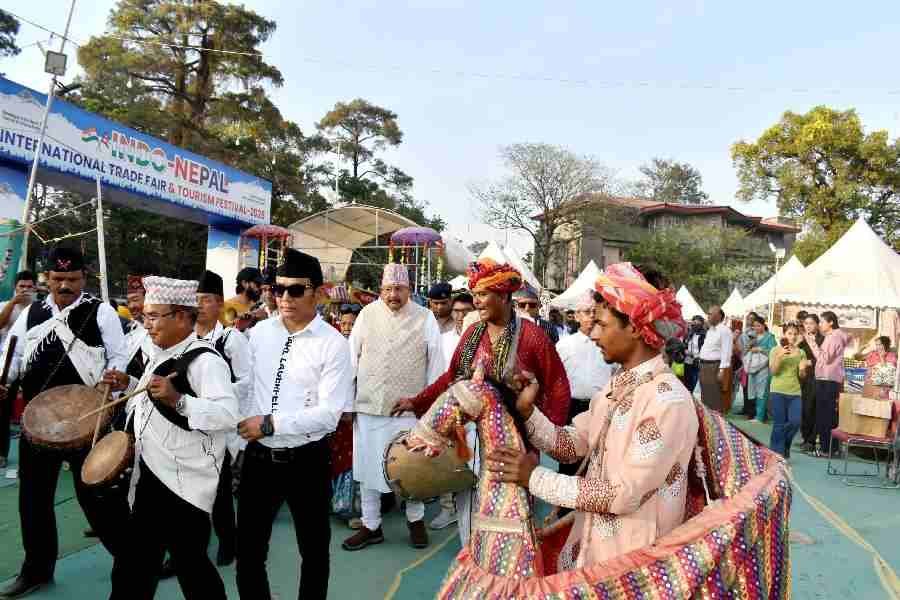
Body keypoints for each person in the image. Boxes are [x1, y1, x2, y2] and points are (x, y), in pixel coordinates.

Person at [487, 262, 698, 568]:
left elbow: (623, 494)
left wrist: (535, 478)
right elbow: (573, 445)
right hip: (593, 552)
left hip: (633, 566)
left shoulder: (667, 400)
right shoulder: (617, 386)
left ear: (635, 327)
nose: (593, 333)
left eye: (601, 323)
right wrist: (528, 411)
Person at [395, 259, 570, 544]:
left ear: (504, 296)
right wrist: (416, 401)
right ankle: (472, 558)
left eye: (483, 294)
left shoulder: (533, 338)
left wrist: (543, 442)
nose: (476, 302)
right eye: (474, 294)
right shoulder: (472, 334)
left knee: (509, 522)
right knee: (468, 511)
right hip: (469, 439)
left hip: (516, 445)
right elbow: (451, 378)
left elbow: (558, 388)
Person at [0, 247, 128, 599]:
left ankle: (133, 559)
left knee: (97, 498)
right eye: (58, 279)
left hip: (86, 422)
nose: (64, 285)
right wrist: (4, 380)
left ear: (84, 278)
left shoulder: (101, 311)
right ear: (47, 279)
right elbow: (15, 354)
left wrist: (113, 377)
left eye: (72, 279)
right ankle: (36, 570)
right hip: (38, 424)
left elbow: (119, 357)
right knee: (33, 500)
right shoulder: (33, 313)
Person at [102, 276, 239, 600]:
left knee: (191, 567)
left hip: (183, 485)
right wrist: (129, 382)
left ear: (180, 316)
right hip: (149, 475)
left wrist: (179, 400)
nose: (146, 324)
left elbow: (227, 415)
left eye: (153, 316)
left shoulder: (205, 361)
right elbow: (150, 398)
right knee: (133, 567)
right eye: (145, 316)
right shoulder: (159, 352)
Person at [235, 249, 353, 600]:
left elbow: (329, 414)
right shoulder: (258, 333)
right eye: (278, 289)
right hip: (258, 459)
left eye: (296, 290)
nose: (284, 297)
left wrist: (269, 424)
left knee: (314, 553)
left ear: (318, 293)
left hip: (308, 460)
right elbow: (245, 389)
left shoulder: (333, 344)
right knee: (249, 554)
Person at [342, 263, 445, 552]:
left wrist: (428, 405)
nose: (392, 295)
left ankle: (415, 521)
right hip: (369, 407)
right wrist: (346, 404)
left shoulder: (424, 317)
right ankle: (371, 525)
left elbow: (436, 365)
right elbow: (351, 359)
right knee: (367, 468)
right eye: (387, 289)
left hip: (408, 411)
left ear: (409, 289)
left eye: (398, 289)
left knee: (411, 467)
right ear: (381, 290)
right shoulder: (366, 314)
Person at [195, 270, 252, 567]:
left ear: (219, 303)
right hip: (190, 422)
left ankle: (228, 541)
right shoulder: (185, 339)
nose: (199, 305)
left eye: (206, 299)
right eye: (196, 299)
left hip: (220, 424)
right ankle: (190, 546)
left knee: (218, 489)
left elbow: (247, 381)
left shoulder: (231, 339)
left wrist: (215, 395)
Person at [553, 291, 613, 477]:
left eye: (594, 312)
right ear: (577, 316)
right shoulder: (564, 345)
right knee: (569, 460)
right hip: (572, 408)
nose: (592, 316)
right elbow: (555, 378)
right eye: (587, 312)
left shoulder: (610, 344)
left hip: (602, 408)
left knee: (598, 460)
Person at [0, 270, 35, 469]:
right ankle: (1, 453)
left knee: (34, 410)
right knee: (3, 410)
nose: (25, 290)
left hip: (31, 366)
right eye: (22, 286)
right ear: (15, 288)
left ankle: (35, 455)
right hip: (7, 366)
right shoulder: (6, 306)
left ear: (35, 288)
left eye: (29, 286)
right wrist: (13, 303)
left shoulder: (40, 308)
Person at [805, 311, 851, 457]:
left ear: (831, 322)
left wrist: (812, 343)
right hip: (828, 379)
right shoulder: (834, 336)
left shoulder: (834, 337)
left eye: (822, 322)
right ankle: (831, 448)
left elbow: (825, 358)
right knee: (828, 415)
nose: (820, 325)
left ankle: (827, 449)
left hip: (827, 379)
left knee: (825, 416)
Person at [768, 322, 810, 458]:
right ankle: (776, 453)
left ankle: (784, 445)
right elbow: (773, 372)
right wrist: (779, 356)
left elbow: (802, 376)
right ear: (784, 335)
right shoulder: (775, 350)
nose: (792, 336)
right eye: (789, 333)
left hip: (795, 391)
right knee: (779, 424)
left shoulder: (801, 352)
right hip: (777, 390)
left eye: (795, 334)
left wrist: (802, 369)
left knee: (795, 422)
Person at [698, 306, 733, 413]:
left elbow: (727, 351)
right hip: (704, 366)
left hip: (715, 367)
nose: (708, 316)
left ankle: (717, 419)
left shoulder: (724, 331)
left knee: (715, 397)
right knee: (706, 396)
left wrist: (722, 370)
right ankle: (708, 418)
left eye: (710, 314)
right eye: (708, 314)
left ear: (718, 316)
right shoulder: (710, 330)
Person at [797, 313, 823, 453]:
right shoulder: (801, 339)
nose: (808, 326)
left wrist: (810, 362)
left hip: (815, 377)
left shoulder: (823, 339)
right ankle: (805, 438)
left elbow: (824, 359)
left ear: (817, 325)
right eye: (806, 323)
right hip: (800, 377)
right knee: (802, 409)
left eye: (811, 323)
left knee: (811, 408)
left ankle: (811, 440)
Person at [745, 317, 777, 423]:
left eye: (758, 325)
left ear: (764, 325)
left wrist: (760, 349)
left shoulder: (770, 337)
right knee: (752, 391)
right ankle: (756, 414)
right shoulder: (752, 336)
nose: (756, 328)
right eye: (754, 326)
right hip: (752, 367)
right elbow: (746, 349)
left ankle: (760, 416)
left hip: (764, 368)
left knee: (762, 392)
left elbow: (774, 351)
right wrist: (750, 345)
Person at [737, 312, 760, 417]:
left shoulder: (756, 332)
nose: (750, 320)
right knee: (745, 386)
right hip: (744, 361)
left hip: (753, 362)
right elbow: (741, 346)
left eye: (752, 318)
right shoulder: (745, 331)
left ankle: (752, 410)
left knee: (752, 387)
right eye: (748, 318)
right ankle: (746, 408)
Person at [683, 315, 706, 394]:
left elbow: (706, 350)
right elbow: (685, 344)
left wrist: (697, 356)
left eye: (697, 323)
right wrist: (685, 350)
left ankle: (693, 397)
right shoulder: (689, 333)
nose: (694, 324)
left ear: (701, 324)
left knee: (694, 382)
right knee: (687, 382)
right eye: (694, 322)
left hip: (697, 362)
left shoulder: (704, 335)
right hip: (688, 360)